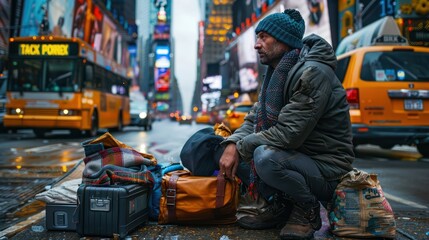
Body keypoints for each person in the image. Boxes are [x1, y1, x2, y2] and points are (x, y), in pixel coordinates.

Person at [218, 9, 354, 240]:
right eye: (257, 38)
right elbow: (253, 119)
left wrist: (240, 148)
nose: (256, 45)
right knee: (223, 149)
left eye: (263, 37)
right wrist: (231, 144)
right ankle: (282, 207)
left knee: (264, 157)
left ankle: (307, 209)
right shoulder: (276, 74)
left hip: (326, 167)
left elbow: (289, 134)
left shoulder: (312, 73)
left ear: (283, 40)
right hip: (297, 158)